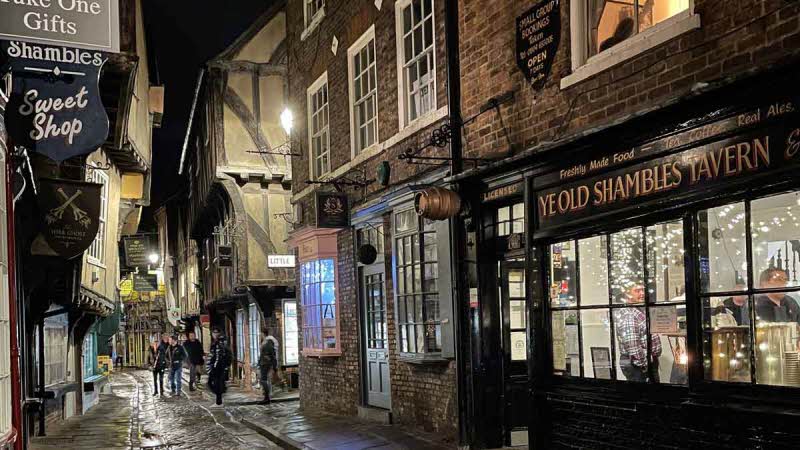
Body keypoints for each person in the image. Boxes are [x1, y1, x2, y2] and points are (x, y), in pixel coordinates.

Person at [613, 283, 662, 382]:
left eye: (643, 290)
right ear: (627, 294)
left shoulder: (637, 310)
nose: (642, 293)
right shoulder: (629, 314)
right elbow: (633, 345)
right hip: (638, 366)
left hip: (641, 364)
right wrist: (645, 364)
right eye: (637, 291)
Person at [207, 327, 232, 407]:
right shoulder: (218, 342)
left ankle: (219, 402)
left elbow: (219, 355)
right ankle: (219, 399)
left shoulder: (219, 343)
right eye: (213, 333)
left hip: (218, 367)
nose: (214, 334)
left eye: (216, 333)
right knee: (214, 383)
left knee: (216, 383)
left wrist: (214, 366)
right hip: (219, 366)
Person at [258, 331, 279, 404]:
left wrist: (274, 367)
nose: (259, 335)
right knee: (263, 380)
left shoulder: (268, 343)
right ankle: (266, 397)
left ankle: (267, 398)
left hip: (266, 364)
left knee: (263, 380)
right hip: (263, 363)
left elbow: (272, 355)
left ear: (263, 334)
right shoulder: (264, 342)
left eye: (260, 334)